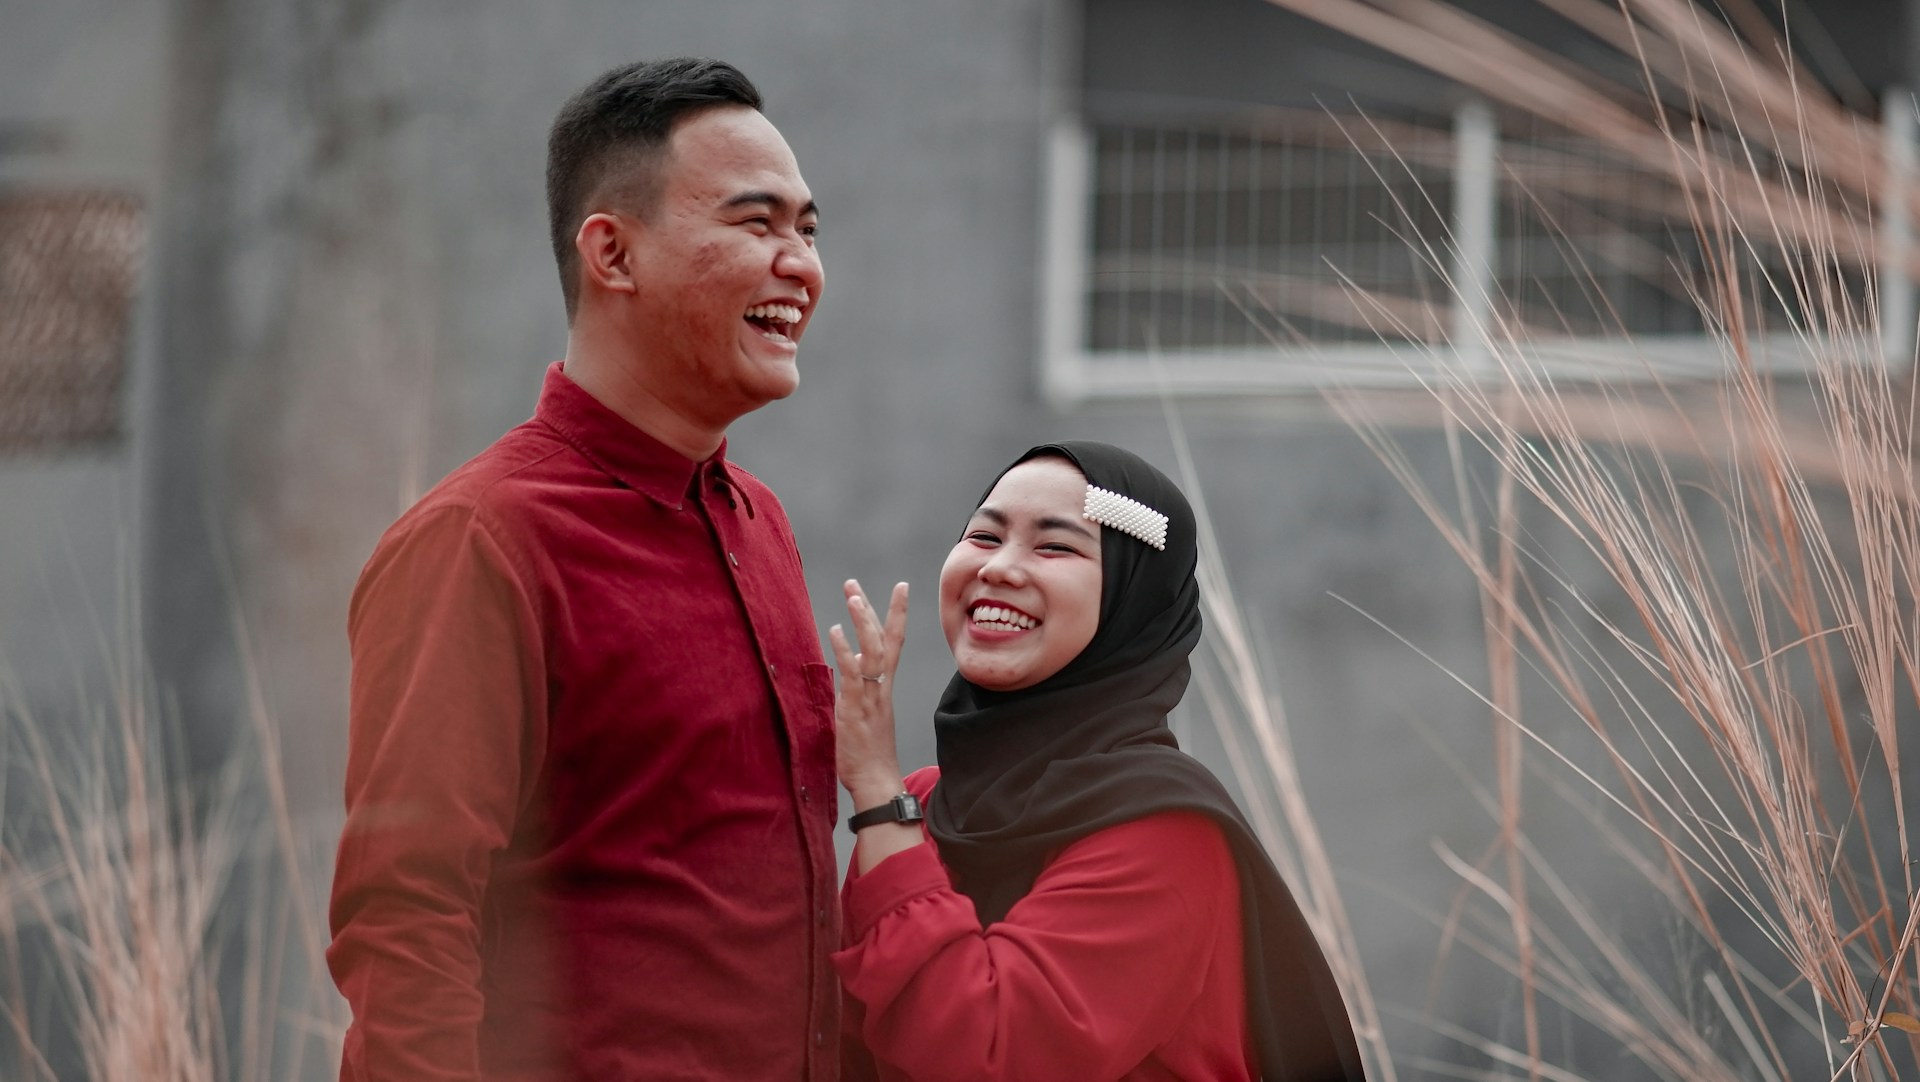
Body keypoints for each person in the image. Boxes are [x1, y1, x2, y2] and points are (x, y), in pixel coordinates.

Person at [327, 58, 838, 1081]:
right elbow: (407, 922)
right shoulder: (480, 540)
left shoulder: (758, 522)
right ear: (613, 252)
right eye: (756, 224)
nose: (800, 265)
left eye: (808, 230)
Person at [828, 441, 1367, 1081]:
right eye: (983, 535)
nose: (1000, 568)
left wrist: (878, 797)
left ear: (1131, 603)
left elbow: (985, 1056)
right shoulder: (920, 805)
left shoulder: (1164, 832)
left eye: (1055, 546)